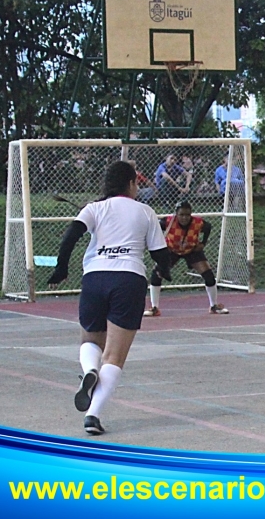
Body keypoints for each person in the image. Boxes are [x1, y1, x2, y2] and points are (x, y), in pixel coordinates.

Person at [47, 161, 172, 435]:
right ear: (130, 184)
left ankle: (90, 370)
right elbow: (159, 254)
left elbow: (72, 235)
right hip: (129, 279)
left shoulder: (94, 208)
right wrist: (166, 269)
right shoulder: (145, 211)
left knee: (90, 340)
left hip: (95, 278)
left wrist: (61, 267)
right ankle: (92, 415)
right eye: (137, 183)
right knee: (114, 356)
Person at [143, 200, 229, 317]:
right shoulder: (167, 222)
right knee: (157, 274)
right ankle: (154, 307)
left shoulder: (198, 223)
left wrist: (203, 243)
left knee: (208, 275)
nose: (185, 218)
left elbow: (208, 227)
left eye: (187, 215)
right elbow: (153, 229)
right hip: (172, 250)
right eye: (181, 215)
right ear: (176, 214)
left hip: (191, 250)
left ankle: (213, 305)